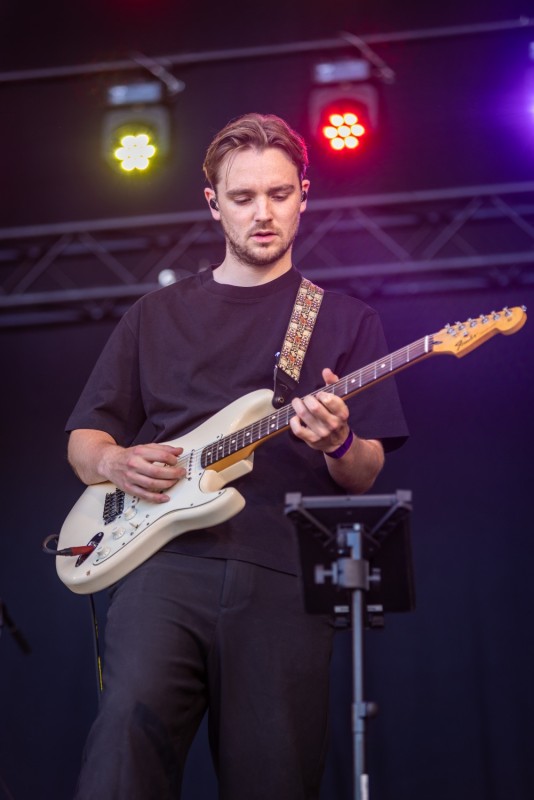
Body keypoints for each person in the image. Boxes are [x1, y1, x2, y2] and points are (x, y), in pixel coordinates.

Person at [66, 112, 408, 800]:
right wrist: (116, 465)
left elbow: (365, 468)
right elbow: (85, 440)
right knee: (124, 749)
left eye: (279, 195)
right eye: (244, 197)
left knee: (274, 775)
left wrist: (338, 439)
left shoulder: (344, 320)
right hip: (161, 565)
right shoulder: (154, 316)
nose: (262, 213)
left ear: (304, 195)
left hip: (280, 576)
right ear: (212, 202)